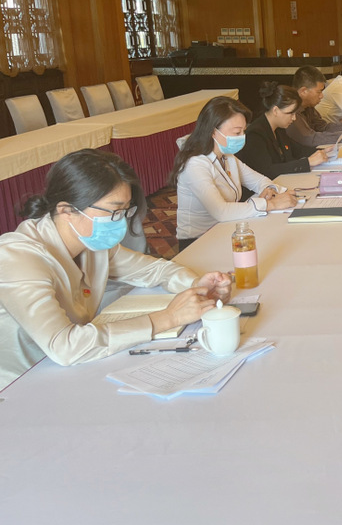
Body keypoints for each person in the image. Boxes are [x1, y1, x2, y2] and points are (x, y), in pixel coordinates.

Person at [0, 149, 232, 389]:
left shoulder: (91, 242)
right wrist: (168, 317)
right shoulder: (18, 258)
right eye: (114, 211)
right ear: (66, 210)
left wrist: (197, 287)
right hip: (20, 384)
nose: (120, 221)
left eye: (125, 211)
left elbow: (155, 271)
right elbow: (65, 346)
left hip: (74, 367)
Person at [171, 96, 296, 249]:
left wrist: (270, 189)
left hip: (225, 230)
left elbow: (258, 180)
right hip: (198, 242)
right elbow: (221, 211)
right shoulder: (195, 164)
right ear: (213, 132)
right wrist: (270, 204)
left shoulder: (227, 156)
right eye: (237, 132)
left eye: (244, 131)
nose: (242, 137)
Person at [237, 82, 330, 178]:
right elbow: (267, 170)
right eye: (291, 113)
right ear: (275, 111)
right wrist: (308, 162)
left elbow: (298, 150)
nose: (294, 118)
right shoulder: (255, 134)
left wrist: (324, 151)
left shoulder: (279, 128)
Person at [285, 66, 342, 148]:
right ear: (304, 91)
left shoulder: (308, 106)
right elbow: (310, 138)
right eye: (319, 92)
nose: (321, 96)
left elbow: (324, 127)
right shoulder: (290, 110)